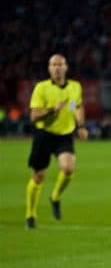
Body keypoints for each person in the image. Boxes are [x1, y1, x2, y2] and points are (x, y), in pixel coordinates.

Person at [25, 54, 88, 229]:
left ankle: (55, 197)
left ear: (66, 67)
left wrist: (81, 125)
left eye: (60, 64)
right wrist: (52, 110)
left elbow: (77, 106)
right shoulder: (41, 88)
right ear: (49, 68)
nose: (57, 68)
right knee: (38, 177)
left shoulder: (75, 87)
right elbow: (33, 116)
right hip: (44, 134)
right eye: (53, 65)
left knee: (68, 168)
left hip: (64, 135)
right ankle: (30, 215)